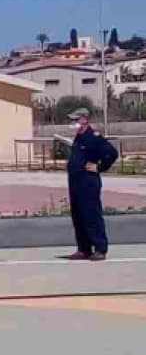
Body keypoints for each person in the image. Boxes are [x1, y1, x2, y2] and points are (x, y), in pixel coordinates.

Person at [65, 108, 118, 261]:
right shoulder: (79, 137)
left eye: (75, 120)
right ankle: (84, 249)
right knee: (78, 215)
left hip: (88, 181)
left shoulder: (93, 137)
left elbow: (111, 153)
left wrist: (100, 167)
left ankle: (100, 248)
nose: (73, 123)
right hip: (75, 181)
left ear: (84, 119)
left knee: (91, 214)